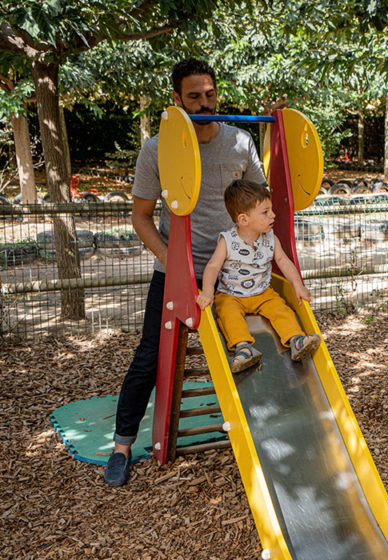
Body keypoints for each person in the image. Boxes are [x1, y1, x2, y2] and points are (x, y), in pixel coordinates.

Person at [104, 59, 267, 487]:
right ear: (177, 99)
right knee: (150, 355)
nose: (204, 103)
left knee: (253, 342)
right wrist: (170, 260)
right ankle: (121, 446)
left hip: (232, 271)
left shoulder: (240, 142)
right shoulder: (158, 149)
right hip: (178, 271)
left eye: (210, 94)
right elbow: (140, 216)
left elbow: (261, 203)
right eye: (194, 96)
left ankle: (269, 432)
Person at [196, 179, 321, 372]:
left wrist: (298, 284)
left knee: (281, 309)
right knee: (228, 314)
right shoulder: (227, 240)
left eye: (270, 210)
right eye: (265, 212)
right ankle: (243, 348)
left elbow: (284, 261)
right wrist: (207, 291)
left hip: (263, 293)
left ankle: (296, 340)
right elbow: (212, 266)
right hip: (231, 295)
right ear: (244, 219)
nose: (273, 215)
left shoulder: (270, 238)